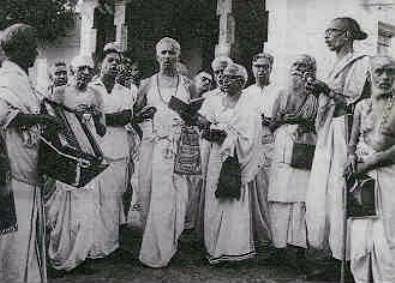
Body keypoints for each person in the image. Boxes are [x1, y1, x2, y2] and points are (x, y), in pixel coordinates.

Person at [305, 17, 370, 274]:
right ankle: (332, 256)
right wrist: (319, 91)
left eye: (331, 32)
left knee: (341, 191)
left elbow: (356, 104)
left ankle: (348, 259)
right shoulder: (334, 65)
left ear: (347, 35)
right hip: (328, 131)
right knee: (323, 193)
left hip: (346, 132)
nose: (326, 36)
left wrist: (327, 90)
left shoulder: (361, 63)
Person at [0, 23, 62, 283]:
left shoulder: (22, 79)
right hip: (13, 173)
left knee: (26, 236)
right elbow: (4, 114)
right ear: (19, 48)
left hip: (29, 168)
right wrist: (43, 120)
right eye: (32, 47)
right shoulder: (6, 79)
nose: (36, 53)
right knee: (13, 240)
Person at [45, 54, 106, 271]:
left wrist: (96, 116)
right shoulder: (60, 93)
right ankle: (60, 255)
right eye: (81, 69)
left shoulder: (96, 95)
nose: (85, 73)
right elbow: (51, 124)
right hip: (69, 156)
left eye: (89, 69)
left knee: (86, 210)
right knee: (65, 210)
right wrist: (73, 117)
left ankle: (81, 257)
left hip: (89, 154)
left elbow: (102, 130)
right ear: (73, 71)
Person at [137, 37, 193, 268]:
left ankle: (171, 243)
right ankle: (155, 247)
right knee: (152, 194)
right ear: (156, 55)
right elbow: (136, 115)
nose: (167, 57)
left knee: (177, 197)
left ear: (178, 56)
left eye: (172, 53)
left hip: (179, 147)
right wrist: (147, 123)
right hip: (153, 146)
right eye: (163, 53)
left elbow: (194, 116)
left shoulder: (189, 85)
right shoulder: (146, 84)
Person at [199, 63, 261, 264]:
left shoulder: (249, 105)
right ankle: (214, 249)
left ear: (242, 82)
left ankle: (235, 250)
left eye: (230, 77)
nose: (224, 80)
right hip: (216, 158)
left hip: (236, 160)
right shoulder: (214, 101)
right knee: (214, 199)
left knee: (233, 201)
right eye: (223, 76)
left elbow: (250, 137)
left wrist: (226, 136)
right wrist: (208, 131)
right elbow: (205, 126)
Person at [346, 55, 395, 283]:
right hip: (362, 181)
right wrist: (349, 157)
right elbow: (353, 140)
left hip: (388, 179)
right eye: (379, 71)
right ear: (369, 76)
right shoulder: (360, 106)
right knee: (360, 239)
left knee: (387, 240)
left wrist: (371, 162)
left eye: (390, 72)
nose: (385, 77)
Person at [268, 55, 318, 264]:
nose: (298, 71)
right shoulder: (281, 93)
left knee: (300, 200)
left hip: (304, 146)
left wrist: (299, 120)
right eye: (295, 65)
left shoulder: (315, 95)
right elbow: (272, 122)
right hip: (281, 145)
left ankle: (298, 250)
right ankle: (278, 248)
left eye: (303, 67)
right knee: (279, 198)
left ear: (311, 71)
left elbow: (318, 121)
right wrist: (282, 121)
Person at [88, 42, 134, 257]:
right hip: (95, 150)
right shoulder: (90, 89)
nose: (115, 65)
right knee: (95, 199)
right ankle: (94, 246)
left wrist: (102, 117)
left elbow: (127, 116)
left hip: (118, 150)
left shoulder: (124, 91)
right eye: (110, 61)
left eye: (119, 62)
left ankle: (110, 244)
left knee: (113, 198)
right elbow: (87, 119)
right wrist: (108, 118)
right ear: (100, 64)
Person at [244, 52, 277, 245]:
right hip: (251, 146)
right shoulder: (247, 93)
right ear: (252, 68)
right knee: (251, 191)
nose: (261, 70)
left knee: (268, 191)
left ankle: (269, 236)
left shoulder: (278, 91)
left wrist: (271, 122)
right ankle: (253, 235)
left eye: (265, 66)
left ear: (271, 68)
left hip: (271, 144)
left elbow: (282, 117)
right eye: (258, 67)